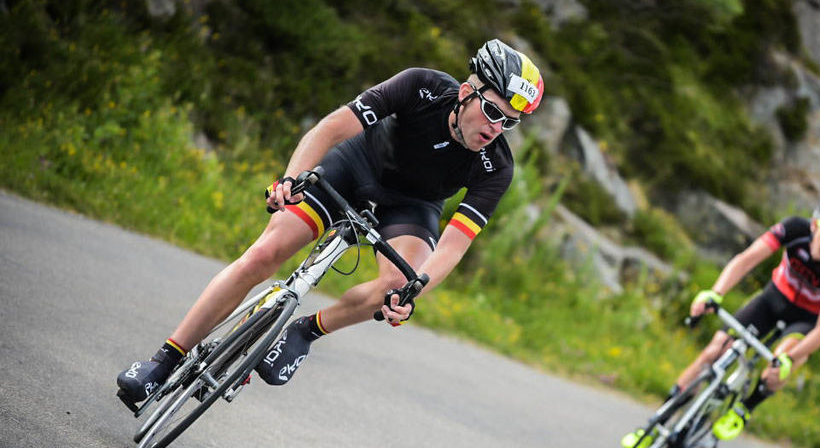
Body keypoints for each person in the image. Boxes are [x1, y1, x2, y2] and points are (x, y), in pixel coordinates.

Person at [116, 39, 544, 407]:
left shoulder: (497, 166)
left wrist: (412, 293)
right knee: (265, 253)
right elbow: (331, 128)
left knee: (399, 282)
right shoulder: (422, 86)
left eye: (509, 122)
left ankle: (306, 331)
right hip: (355, 167)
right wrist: (290, 179)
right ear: (467, 92)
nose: (496, 127)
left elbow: (453, 245)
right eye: (492, 111)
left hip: (411, 205)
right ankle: (164, 361)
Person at [623, 196, 820, 448]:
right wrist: (715, 293)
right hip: (771, 301)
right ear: (814, 224)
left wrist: (790, 359)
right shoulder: (794, 229)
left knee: (781, 364)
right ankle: (654, 425)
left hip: (803, 320)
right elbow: (747, 259)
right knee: (715, 350)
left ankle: (744, 409)